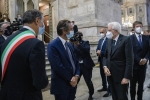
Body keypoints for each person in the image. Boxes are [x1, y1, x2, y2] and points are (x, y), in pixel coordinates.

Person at [0, 9, 48, 100]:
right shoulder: (36, 44)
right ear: (37, 21)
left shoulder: (9, 40)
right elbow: (39, 81)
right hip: (26, 96)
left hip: (7, 94)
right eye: (42, 22)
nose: (43, 26)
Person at [47, 20, 80, 100]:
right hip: (61, 85)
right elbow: (57, 66)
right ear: (64, 30)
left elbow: (76, 61)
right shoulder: (53, 45)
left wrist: (76, 76)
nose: (73, 31)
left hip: (73, 83)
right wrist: (70, 79)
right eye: (71, 29)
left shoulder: (69, 45)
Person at [103, 22, 133, 100]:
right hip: (110, 75)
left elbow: (129, 60)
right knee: (114, 96)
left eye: (109, 30)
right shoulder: (109, 40)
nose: (107, 32)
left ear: (115, 31)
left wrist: (126, 77)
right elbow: (106, 56)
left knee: (122, 97)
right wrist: (105, 66)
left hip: (121, 76)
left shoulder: (126, 40)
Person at [130, 21, 150, 100]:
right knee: (133, 84)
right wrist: (139, 60)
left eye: (141, 26)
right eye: (137, 26)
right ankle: (132, 98)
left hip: (143, 65)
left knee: (141, 84)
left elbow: (149, 50)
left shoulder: (146, 38)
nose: (139, 28)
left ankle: (140, 98)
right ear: (134, 28)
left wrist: (145, 59)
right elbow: (130, 52)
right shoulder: (130, 39)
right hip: (134, 65)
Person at [73, 32, 95, 100]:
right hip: (78, 66)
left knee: (88, 81)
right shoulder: (73, 44)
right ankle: (72, 95)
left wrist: (79, 45)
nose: (77, 37)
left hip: (86, 65)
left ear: (81, 36)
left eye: (78, 36)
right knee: (75, 81)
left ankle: (91, 94)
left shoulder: (86, 42)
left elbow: (86, 50)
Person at [96, 28, 111, 97]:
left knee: (108, 75)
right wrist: (97, 52)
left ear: (106, 32)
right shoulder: (100, 40)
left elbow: (108, 51)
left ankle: (109, 90)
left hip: (107, 60)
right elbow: (97, 48)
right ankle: (104, 86)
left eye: (102, 32)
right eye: (100, 32)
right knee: (102, 74)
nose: (101, 33)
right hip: (101, 59)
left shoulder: (109, 40)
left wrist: (101, 52)